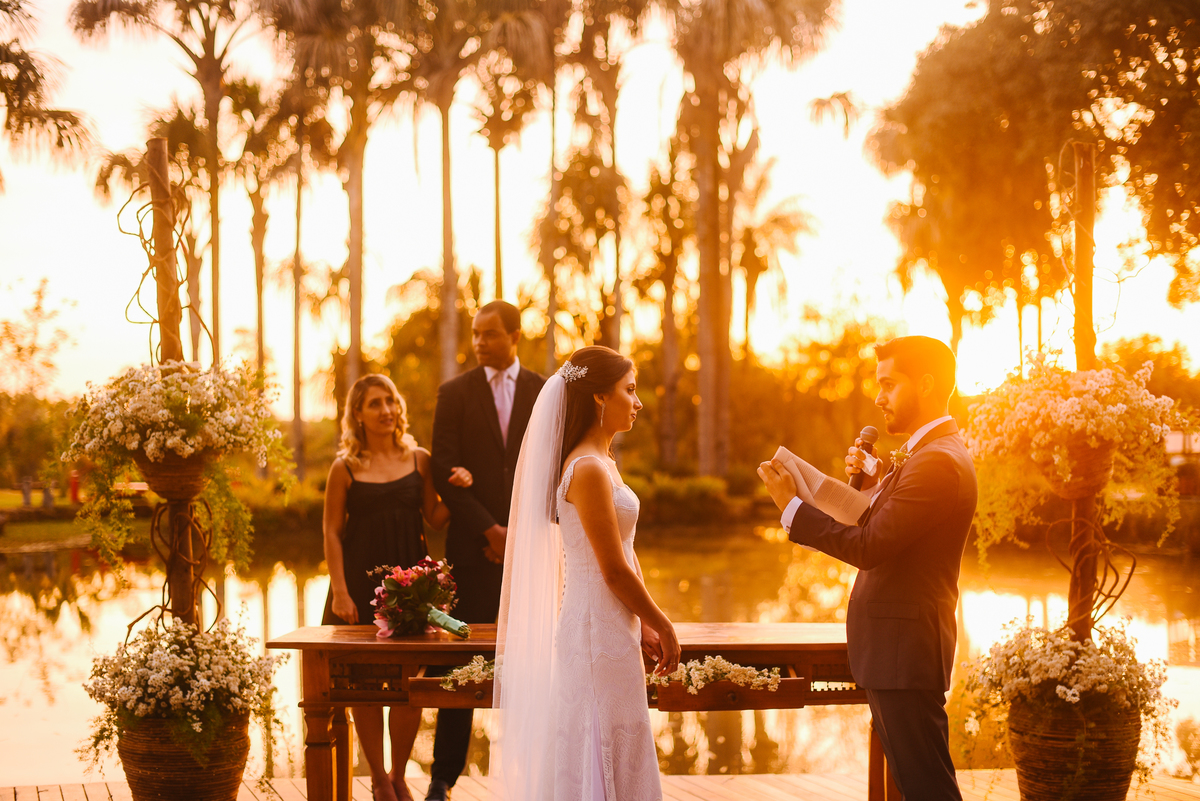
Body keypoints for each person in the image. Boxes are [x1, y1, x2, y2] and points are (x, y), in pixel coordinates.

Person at [757, 335, 977, 801]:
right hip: (895, 653)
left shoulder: (937, 461)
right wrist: (874, 487)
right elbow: (893, 533)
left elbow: (870, 546)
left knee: (929, 789)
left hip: (905, 653)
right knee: (918, 786)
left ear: (927, 384)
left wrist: (793, 508)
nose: (879, 398)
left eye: (889, 385)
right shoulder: (925, 455)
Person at [493, 345, 681, 801]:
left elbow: (625, 554)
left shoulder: (604, 463)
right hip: (594, 630)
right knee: (599, 735)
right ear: (599, 396)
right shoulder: (588, 469)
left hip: (614, 625)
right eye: (629, 390)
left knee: (620, 732)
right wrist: (663, 624)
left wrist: (641, 625)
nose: (637, 403)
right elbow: (612, 570)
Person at [322, 373, 470, 801]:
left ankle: (399, 774)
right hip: (359, 588)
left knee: (410, 687)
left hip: (411, 591)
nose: (386, 409)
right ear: (357, 414)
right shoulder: (344, 467)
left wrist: (458, 487)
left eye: (390, 400)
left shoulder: (419, 459)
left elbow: (435, 518)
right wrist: (340, 591)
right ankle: (379, 780)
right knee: (364, 687)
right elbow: (331, 532)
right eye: (374, 403)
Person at [427, 300, 546, 800]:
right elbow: (442, 468)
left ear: (515, 336)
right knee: (459, 660)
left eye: (490, 334)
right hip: (472, 552)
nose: (479, 342)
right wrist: (489, 531)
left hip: (533, 549)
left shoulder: (544, 391)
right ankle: (443, 777)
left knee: (537, 658)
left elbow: (554, 467)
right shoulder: (454, 393)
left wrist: (516, 534)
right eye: (475, 334)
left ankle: (538, 773)